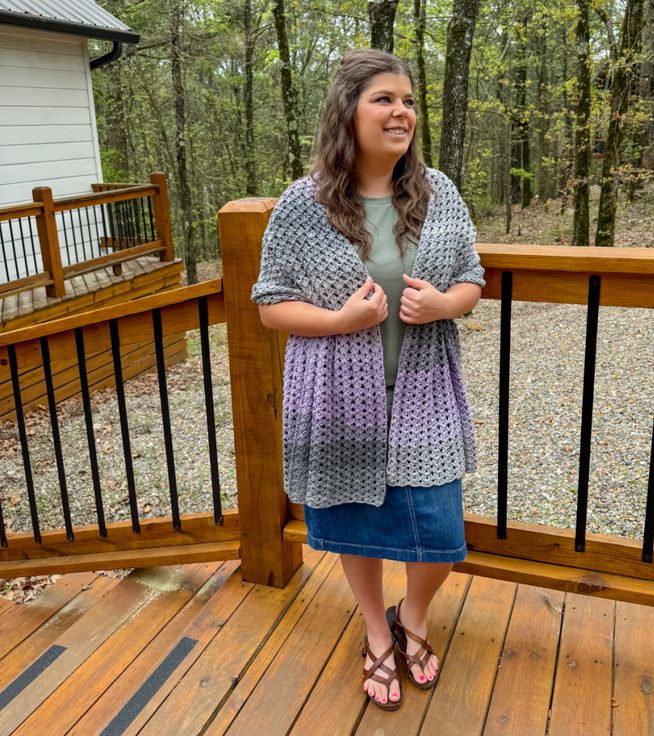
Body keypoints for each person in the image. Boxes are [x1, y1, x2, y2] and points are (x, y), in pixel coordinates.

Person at [251, 48, 484, 711]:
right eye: (384, 99)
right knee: (356, 526)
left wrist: (445, 304)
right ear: (347, 112)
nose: (401, 111)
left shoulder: (439, 192)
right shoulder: (304, 203)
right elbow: (271, 304)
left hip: (425, 396)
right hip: (338, 403)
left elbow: (471, 277)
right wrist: (338, 319)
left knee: (438, 532)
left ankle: (413, 616)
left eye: (408, 100)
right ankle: (375, 632)